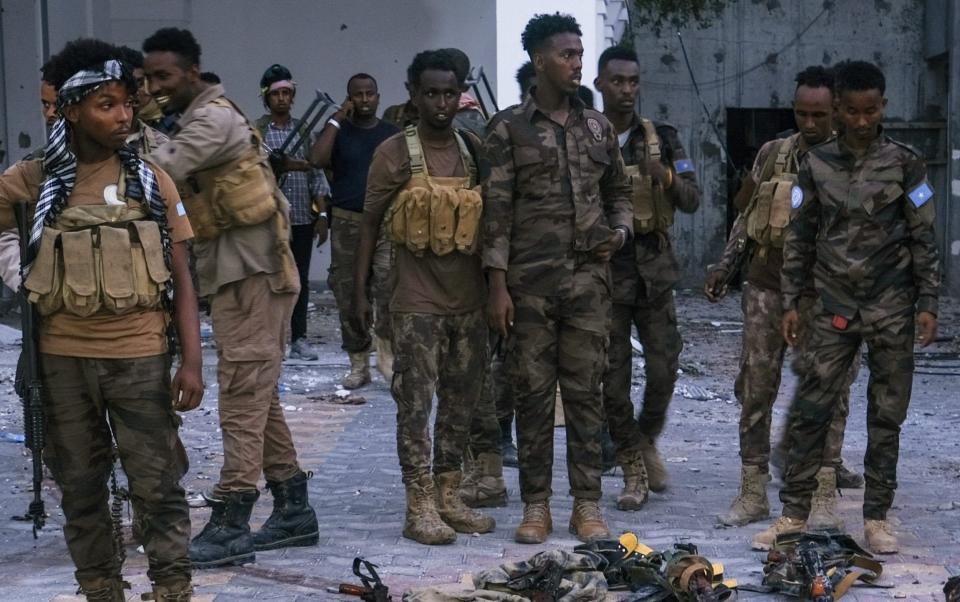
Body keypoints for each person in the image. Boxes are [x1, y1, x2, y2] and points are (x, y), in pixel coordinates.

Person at [0, 38, 202, 601]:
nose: (122, 116)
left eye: (126, 104)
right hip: (62, 363)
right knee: (82, 491)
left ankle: (171, 589)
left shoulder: (150, 181)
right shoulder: (33, 181)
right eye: (105, 105)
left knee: (158, 487)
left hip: (139, 357)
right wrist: (18, 265)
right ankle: (101, 589)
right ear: (69, 109)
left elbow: (183, 277)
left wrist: (191, 361)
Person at [142, 27, 318, 568]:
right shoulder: (197, 115)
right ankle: (293, 511)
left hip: (255, 275)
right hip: (239, 274)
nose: (155, 86)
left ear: (191, 73)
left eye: (163, 77)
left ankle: (232, 517)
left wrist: (127, 130)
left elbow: (159, 172)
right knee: (257, 392)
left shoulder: (212, 120)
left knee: (241, 395)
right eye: (148, 78)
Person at [752, 60, 940, 554]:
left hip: (892, 307)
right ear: (837, 108)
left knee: (886, 415)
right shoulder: (815, 166)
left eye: (870, 111)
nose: (861, 121)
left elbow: (925, 236)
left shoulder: (906, 162)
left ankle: (876, 517)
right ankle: (793, 514)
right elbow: (800, 238)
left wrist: (929, 303)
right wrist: (792, 301)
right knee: (811, 411)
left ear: (883, 107)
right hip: (831, 307)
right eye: (852, 111)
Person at [483, 13, 632, 544]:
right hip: (528, 287)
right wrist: (497, 285)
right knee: (533, 394)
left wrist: (620, 231)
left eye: (579, 53)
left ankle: (587, 505)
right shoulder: (506, 129)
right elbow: (494, 213)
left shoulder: (598, 128)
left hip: (589, 282)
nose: (576, 63)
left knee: (587, 392)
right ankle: (537, 505)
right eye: (567, 54)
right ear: (540, 60)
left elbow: (619, 191)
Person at [705, 66, 861, 529]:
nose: (809, 124)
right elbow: (747, 216)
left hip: (830, 294)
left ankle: (823, 492)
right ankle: (752, 490)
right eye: (801, 113)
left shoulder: (857, 161)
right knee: (756, 386)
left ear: (836, 111)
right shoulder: (773, 155)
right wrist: (725, 266)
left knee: (831, 392)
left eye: (819, 115)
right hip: (767, 286)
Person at [353, 49, 494, 545]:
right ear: (412, 94)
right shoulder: (394, 153)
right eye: (430, 93)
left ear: (460, 94)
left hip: (469, 301)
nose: (440, 102)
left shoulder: (473, 148)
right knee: (415, 405)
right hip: (415, 303)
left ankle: (449, 493)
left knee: (462, 401)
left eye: (448, 92)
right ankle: (419, 503)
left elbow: (494, 223)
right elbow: (369, 223)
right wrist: (360, 294)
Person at [593, 45, 701, 508]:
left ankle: (645, 438)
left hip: (655, 274)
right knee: (612, 378)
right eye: (617, 81)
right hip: (605, 276)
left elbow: (694, 199)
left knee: (663, 370)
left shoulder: (663, 138)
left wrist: (669, 179)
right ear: (600, 84)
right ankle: (633, 470)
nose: (626, 90)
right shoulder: (583, 137)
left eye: (633, 82)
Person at [310, 73, 398, 388]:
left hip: (386, 223)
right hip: (348, 223)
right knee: (348, 292)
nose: (364, 100)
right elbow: (317, 159)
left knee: (387, 288)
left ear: (378, 96)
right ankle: (358, 362)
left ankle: (385, 355)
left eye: (369, 94)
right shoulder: (340, 131)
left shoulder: (392, 134)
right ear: (349, 98)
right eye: (357, 95)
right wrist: (336, 119)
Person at [255, 64, 331, 360]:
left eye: (287, 93)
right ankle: (271, 338)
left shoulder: (304, 132)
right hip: (266, 219)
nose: (282, 98)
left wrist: (322, 215)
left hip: (300, 218)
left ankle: (298, 337)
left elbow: (317, 176)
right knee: (269, 279)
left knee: (298, 279)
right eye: (276, 94)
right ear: (266, 98)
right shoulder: (257, 132)